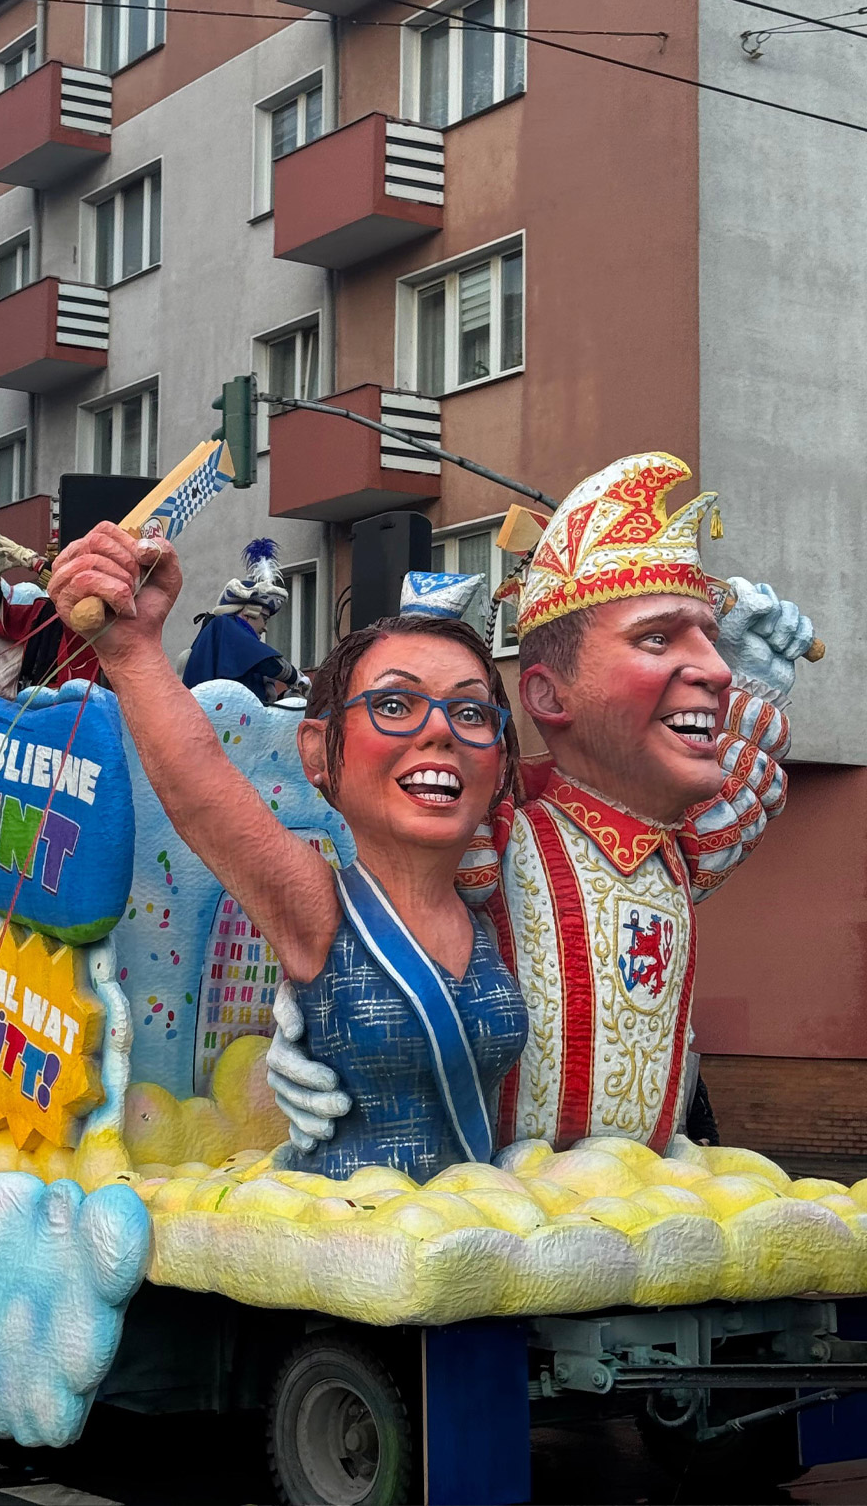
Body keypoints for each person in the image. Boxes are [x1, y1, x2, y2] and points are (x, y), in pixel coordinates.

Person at [269, 452, 816, 1159]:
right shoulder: (501, 839)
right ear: (547, 696)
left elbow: (741, 783)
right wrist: (308, 1022)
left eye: (708, 639)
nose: (714, 668)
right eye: (659, 636)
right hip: (501, 1217)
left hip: (652, 1213)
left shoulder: (677, 850)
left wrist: (756, 685)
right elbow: (385, 911)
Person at [48, 524, 528, 1181]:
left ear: (499, 761)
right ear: (316, 752)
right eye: (395, 703)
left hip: (479, 1235)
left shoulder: (491, 904)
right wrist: (129, 648)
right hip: (349, 1240)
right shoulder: (327, 911)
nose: (440, 729)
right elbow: (201, 787)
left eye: (471, 712)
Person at [0, 535, 101, 699]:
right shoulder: (43, 610)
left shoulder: (103, 615)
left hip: (81, 711)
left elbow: (74, 594)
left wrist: (36, 564)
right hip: (33, 707)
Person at [181, 539, 305, 705]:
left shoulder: (238, 651)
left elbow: (257, 704)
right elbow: (266, 661)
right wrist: (296, 677)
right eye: (265, 618)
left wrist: (286, 698)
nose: (265, 628)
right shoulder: (224, 626)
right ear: (248, 613)